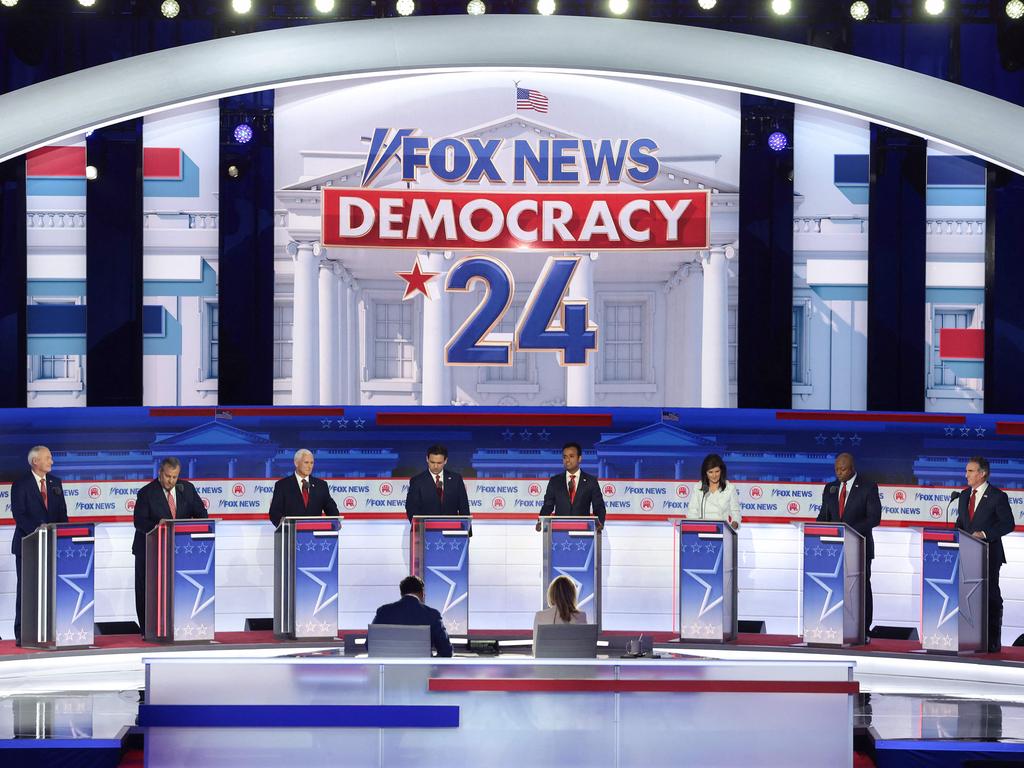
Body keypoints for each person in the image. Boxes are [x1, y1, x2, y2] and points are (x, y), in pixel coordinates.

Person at [133, 456, 208, 632]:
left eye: (174, 477)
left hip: (180, 550)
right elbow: (139, 522)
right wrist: (156, 526)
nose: (171, 481)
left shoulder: (186, 489)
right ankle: (148, 630)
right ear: (160, 472)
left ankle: (180, 627)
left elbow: (202, 515)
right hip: (149, 551)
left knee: (178, 591)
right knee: (147, 593)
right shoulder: (146, 493)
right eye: (168, 476)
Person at [817, 452, 881, 636]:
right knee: (835, 587)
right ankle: (836, 625)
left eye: (842, 469)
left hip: (859, 547)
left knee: (861, 587)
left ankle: (863, 629)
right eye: (836, 469)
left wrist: (848, 530)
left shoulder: (868, 487)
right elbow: (823, 517)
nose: (839, 472)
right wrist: (817, 527)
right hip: (834, 549)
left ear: (852, 468)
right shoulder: (830, 488)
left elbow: (874, 518)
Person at [10, 446, 68, 645]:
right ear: (35, 461)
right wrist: (39, 532)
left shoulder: (56, 483)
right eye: (48, 458)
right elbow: (20, 515)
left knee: (52, 589)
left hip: (52, 545)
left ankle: (52, 631)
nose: (51, 461)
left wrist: (62, 534)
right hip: (29, 545)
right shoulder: (20, 485)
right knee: (26, 590)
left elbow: (62, 514)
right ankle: (22, 633)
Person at [956, 456, 1015, 653]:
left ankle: (992, 641)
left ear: (982, 473)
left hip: (989, 554)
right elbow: (962, 522)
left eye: (970, 471)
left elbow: (1008, 524)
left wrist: (984, 534)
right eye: (966, 471)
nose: (966, 475)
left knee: (990, 596)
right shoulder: (964, 496)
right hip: (966, 553)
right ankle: (970, 638)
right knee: (967, 596)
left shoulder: (997, 496)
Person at [371, 575, 453, 657]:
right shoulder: (432, 614)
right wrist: (430, 663)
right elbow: (446, 652)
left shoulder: (383, 611)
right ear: (422, 593)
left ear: (401, 593)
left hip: (389, 669)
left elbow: (370, 645)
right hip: (422, 669)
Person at [535, 442, 606, 532]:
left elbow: (598, 506)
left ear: (579, 458)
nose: (567, 460)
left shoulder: (591, 481)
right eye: (565, 457)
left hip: (583, 532)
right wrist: (540, 521)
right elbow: (548, 506)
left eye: (571, 456)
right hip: (559, 532)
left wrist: (600, 522)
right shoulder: (555, 481)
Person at [405, 444, 471, 530]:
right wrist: (418, 529)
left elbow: (464, 507)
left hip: (452, 531)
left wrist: (466, 532)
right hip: (426, 531)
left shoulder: (456, 479)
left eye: (439, 463)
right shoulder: (417, 481)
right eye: (432, 462)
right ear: (427, 459)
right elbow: (411, 508)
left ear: (445, 460)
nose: (435, 466)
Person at [268, 448, 340, 527]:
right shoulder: (282, 485)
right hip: (291, 534)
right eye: (306, 462)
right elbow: (274, 512)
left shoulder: (321, 485)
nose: (309, 466)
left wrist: (335, 522)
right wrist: (284, 527)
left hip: (315, 534)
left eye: (312, 463)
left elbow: (330, 508)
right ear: (296, 463)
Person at [533, 575, 588, 650]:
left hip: (548, 660)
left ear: (551, 594)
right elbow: (584, 649)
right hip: (573, 660)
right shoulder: (581, 616)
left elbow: (535, 650)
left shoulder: (540, 616)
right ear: (572, 595)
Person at [691, 453, 741, 530]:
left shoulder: (730, 488)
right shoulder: (698, 487)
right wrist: (695, 528)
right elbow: (692, 512)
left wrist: (734, 525)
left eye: (717, 471)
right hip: (701, 532)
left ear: (721, 471)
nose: (714, 475)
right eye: (710, 472)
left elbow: (736, 513)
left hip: (723, 532)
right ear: (705, 473)